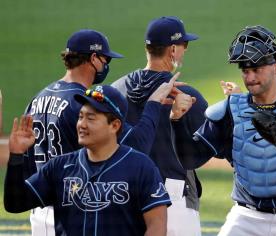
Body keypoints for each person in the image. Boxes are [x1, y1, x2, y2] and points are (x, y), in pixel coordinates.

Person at [171, 25, 276, 236]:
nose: (250, 77)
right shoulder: (230, 110)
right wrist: (177, 120)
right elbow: (190, 159)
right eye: (245, 70)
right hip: (247, 216)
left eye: (256, 69)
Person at [24, 29, 186, 236]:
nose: (106, 65)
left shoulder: (38, 98)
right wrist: (154, 102)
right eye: (105, 59)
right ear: (93, 58)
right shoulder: (84, 105)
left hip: (39, 206)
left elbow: (27, 156)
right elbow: (135, 146)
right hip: (71, 209)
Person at [4, 85, 172, 236]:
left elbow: (157, 225)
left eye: (90, 118)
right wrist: (16, 156)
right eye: (80, 117)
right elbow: (15, 203)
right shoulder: (60, 167)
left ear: (114, 125)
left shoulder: (141, 167)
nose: (81, 125)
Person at [112, 16, 208, 235]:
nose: (185, 50)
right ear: (172, 50)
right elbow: (209, 147)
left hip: (123, 196)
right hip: (173, 203)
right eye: (184, 45)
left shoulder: (115, 91)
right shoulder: (187, 95)